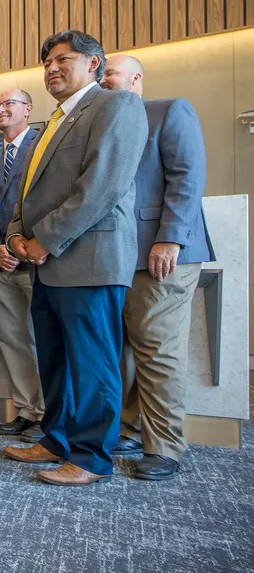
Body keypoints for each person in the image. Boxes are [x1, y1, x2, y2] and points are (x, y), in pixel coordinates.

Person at [4, 31, 148, 487]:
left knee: (92, 362)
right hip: (47, 262)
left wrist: (43, 240)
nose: (51, 68)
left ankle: (90, 458)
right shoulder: (53, 122)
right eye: (47, 61)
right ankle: (57, 439)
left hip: (89, 258)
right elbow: (26, 193)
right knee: (55, 359)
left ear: (94, 64)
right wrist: (15, 237)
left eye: (63, 59)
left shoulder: (115, 106)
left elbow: (102, 187)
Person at [102, 54, 214, 481]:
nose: (104, 78)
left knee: (158, 352)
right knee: (125, 351)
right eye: (102, 73)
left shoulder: (168, 111)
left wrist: (170, 237)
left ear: (136, 79)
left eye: (111, 72)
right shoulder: (106, 124)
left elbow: (187, 176)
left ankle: (165, 445)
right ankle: (129, 429)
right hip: (116, 258)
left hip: (161, 253)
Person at [0, 90, 44, 442]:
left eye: (9, 104)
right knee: (11, 339)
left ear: (28, 109)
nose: (2, 110)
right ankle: (28, 409)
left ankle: (53, 413)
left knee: (44, 338)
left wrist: (22, 243)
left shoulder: (43, 144)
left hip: (37, 256)